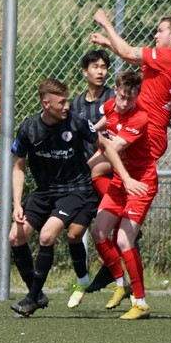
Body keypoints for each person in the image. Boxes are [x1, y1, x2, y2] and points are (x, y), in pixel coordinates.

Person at [9, 78, 145, 317]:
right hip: (44, 191)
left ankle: (31, 299)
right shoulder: (28, 129)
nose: (66, 106)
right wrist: (17, 203)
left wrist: (125, 178)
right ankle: (36, 294)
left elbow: (107, 145)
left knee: (47, 235)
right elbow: (18, 167)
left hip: (75, 190)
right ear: (46, 104)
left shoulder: (76, 122)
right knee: (15, 237)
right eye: (61, 102)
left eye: (67, 101)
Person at [88, 71, 159, 319]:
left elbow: (112, 148)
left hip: (140, 183)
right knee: (98, 232)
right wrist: (86, 129)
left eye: (130, 98)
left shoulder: (139, 118)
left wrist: (84, 163)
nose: (125, 102)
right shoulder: (109, 106)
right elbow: (103, 125)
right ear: (116, 90)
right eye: (122, 96)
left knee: (124, 240)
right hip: (121, 180)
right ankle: (121, 283)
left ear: (137, 96)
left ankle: (141, 303)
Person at [90, 9, 171, 162]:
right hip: (148, 129)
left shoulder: (169, 57)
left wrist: (106, 23)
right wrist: (108, 44)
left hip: (147, 132)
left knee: (95, 166)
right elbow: (134, 59)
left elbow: (128, 52)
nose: (155, 35)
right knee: (104, 168)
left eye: (160, 31)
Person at [66, 49, 115, 307]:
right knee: (75, 232)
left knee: (123, 232)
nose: (100, 71)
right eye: (95, 67)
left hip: (109, 173)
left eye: (104, 67)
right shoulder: (75, 104)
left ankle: (127, 286)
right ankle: (82, 280)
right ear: (85, 71)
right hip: (85, 179)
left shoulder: (113, 98)